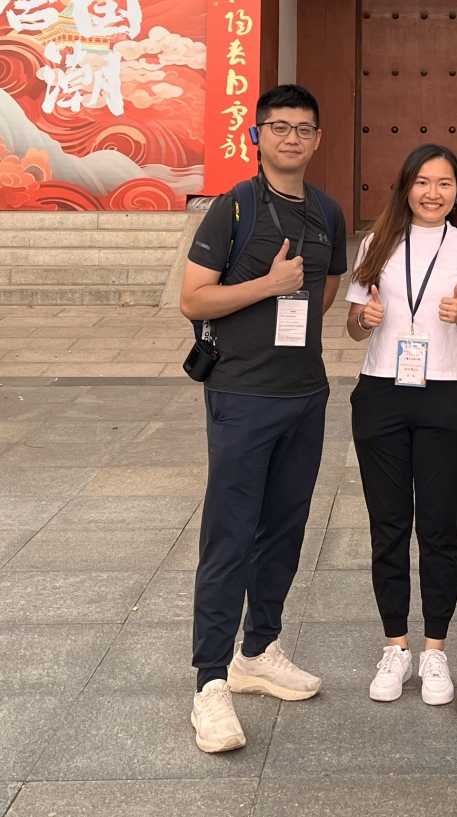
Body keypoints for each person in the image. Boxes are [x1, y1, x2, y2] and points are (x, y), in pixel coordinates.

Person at [178, 83, 348, 755]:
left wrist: (290, 307)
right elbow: (194, 299)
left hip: (304, 394)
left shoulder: (328, 212)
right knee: (230, 534)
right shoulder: (234, 208)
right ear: (257, 136)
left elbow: (326, 289)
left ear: (317, 139)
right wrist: (269, 287)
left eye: (303, 129)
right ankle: (210, 682)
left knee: (284, 530)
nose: (291, 138)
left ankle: (259, 650)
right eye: (279, 127)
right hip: (242, 396)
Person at [343, 143, 457, 706]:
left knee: (438, 527)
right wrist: (366, 317)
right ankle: (395, 647)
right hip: (381, 392)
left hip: (445, 395)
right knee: (387, 526)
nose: (433, 193)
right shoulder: (376, 242)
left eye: (445, 183)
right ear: (406, 186)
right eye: (423, 182)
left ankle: (435, 651)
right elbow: (353, 326)